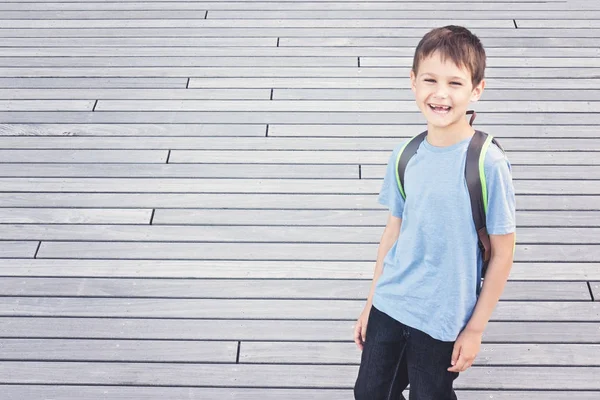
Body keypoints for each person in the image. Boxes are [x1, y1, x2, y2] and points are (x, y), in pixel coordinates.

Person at [353, 25, 516, 400]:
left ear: (477, 89)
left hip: (444, 318)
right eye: (430, 80)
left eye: (455, 83)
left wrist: (475, 329)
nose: (440, 94)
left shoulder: (487, 163)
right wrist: (370, 304)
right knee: (370, 393)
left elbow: (503, 253)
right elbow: (392, 234)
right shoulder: (405, 155)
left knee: (431, 394)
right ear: (413, 82)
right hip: (391, 303)